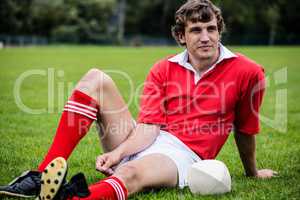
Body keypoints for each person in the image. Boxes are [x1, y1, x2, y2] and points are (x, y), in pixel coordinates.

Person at [0, 0, 278, 200]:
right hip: (143, 138)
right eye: (196, 30)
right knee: (95, 78)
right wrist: (117, 153)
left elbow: (245, 128)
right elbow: (149, 126)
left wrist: (252, 172)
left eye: (211, 28)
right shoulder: (163, 68)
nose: (206, 37)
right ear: (181, 36)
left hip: (182, 156)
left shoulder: (248, 71)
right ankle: (41, 175)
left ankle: (73, 198)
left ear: (219, 31)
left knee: (131, 172)